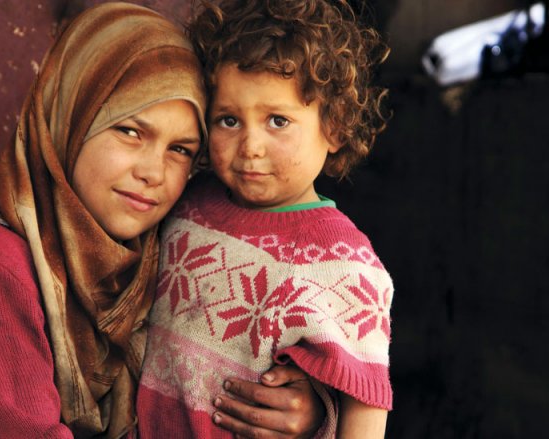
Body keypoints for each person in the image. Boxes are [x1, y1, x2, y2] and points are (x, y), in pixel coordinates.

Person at [0, 4, 323, 438]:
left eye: (180, 149)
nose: (152, 172)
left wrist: (301, 412)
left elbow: (211, 374)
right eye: (130, 131)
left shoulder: (162, 249)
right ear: (72, 117)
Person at [135, 0, 393, 437]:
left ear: (334, 127)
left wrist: (317, 415)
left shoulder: (346, 264)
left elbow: (366, 402)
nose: (250, 145)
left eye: (277, 120)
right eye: (229, 120)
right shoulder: (187, 203)